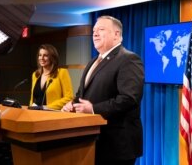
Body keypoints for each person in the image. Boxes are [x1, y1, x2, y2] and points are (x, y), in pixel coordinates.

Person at [61, 16, 144, 165]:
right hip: (93, 140)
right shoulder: (93, 61)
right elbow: (82, 94)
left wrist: (93, 109)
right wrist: (72, 105)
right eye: (94, 31)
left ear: (117, 34)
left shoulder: (129, 59)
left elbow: (129, 98)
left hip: (117, 145)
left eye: (101, 29)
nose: (95, 34)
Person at [29, 44, 74, 110]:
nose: (41, 58)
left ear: (52, 58)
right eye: (40, 55)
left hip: (52, 115)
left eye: (45, 55)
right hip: (35, 114)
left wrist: (47, 107)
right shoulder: (35, 75)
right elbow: (32, 99)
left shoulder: (62, 73)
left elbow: (69, 97)